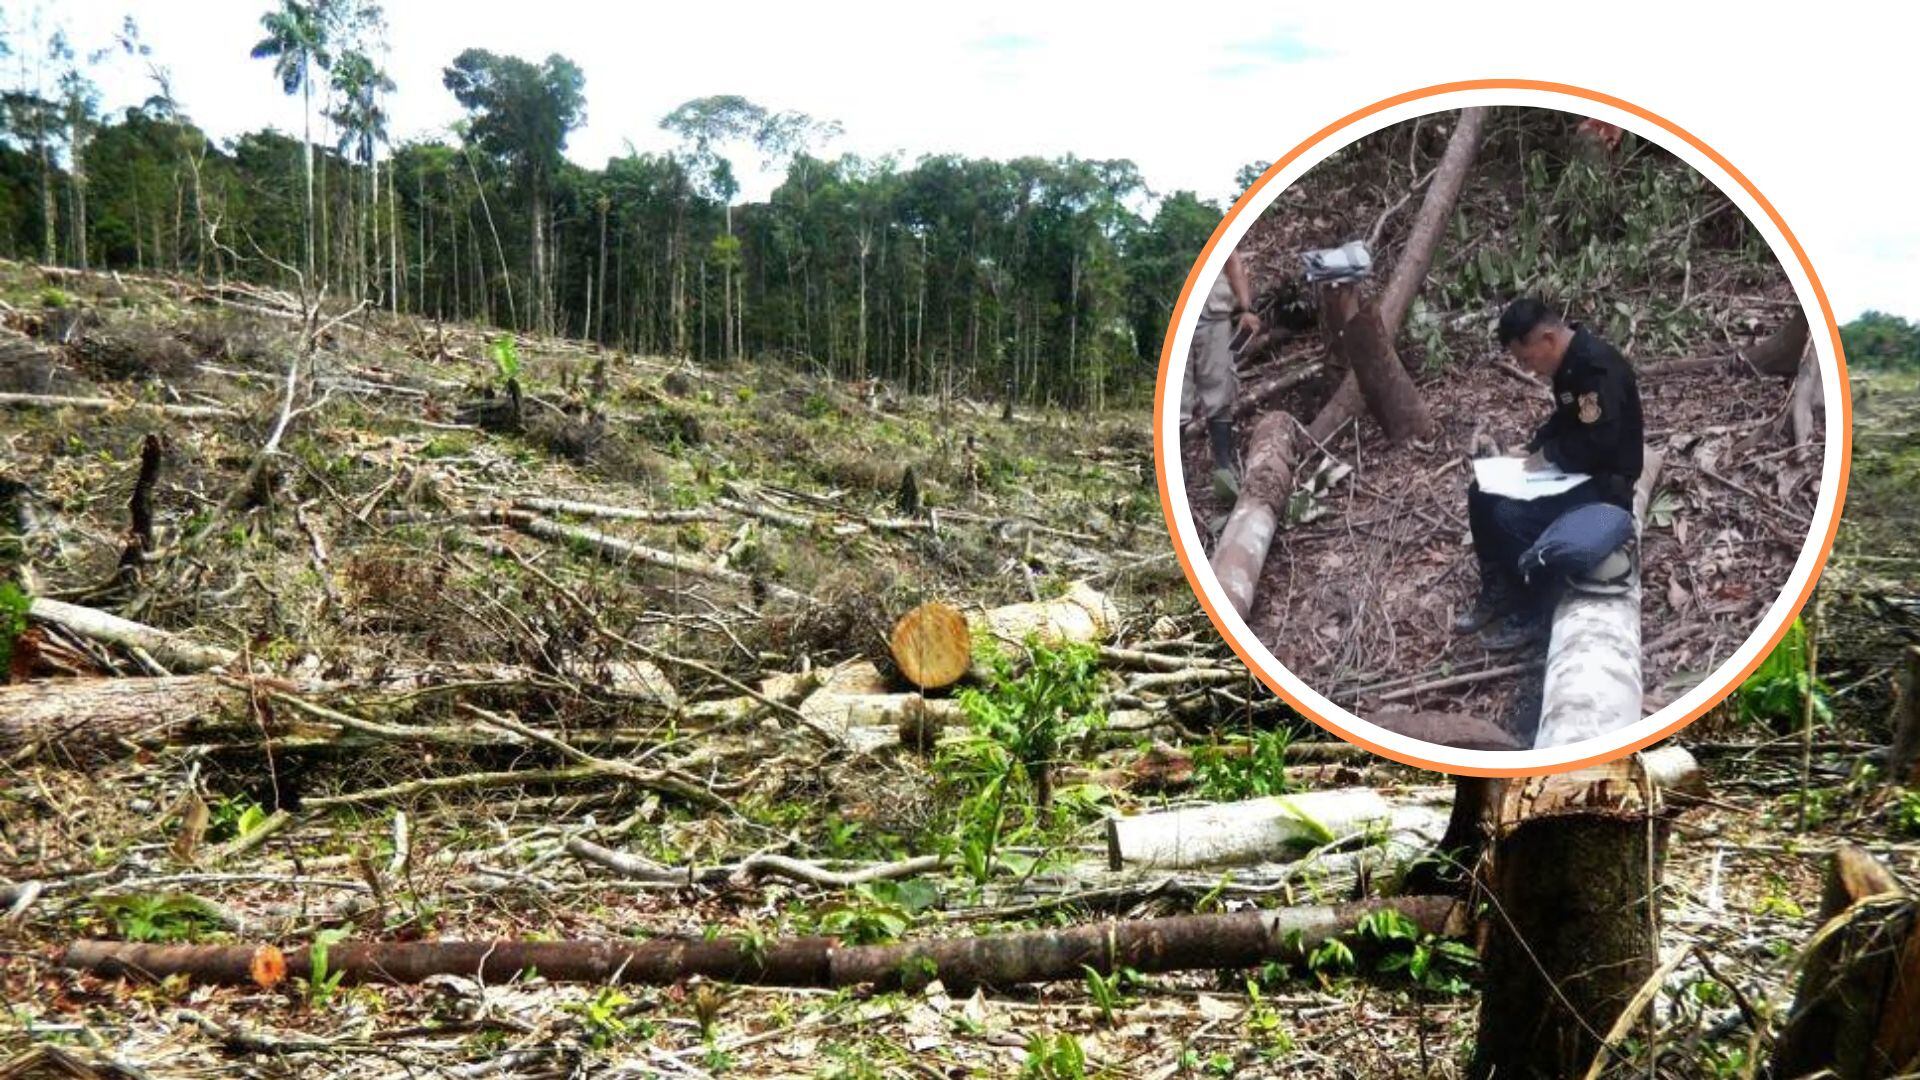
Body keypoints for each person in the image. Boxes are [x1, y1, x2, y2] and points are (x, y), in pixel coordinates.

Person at [1455, 297, 1645, 650]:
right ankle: (1498, 590)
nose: (1528, 369)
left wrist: (1550, 455)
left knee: (1511, 516)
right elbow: (1567, 419)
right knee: (1481, 493)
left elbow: (1600, 441)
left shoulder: (1596, 369)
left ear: (1547, 338)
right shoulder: (1569, 367)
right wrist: (1535, 447)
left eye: (1526, 359)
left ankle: (1534, 610)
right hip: (1574, 472)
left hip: (1604, 486)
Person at [1182, 251, 1260, 496]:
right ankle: (1179, 465)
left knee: (1220, 388)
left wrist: (1246, 307)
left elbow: (1232, 260)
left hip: (1212, 313)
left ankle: (1224, 466)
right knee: (1177, 398)